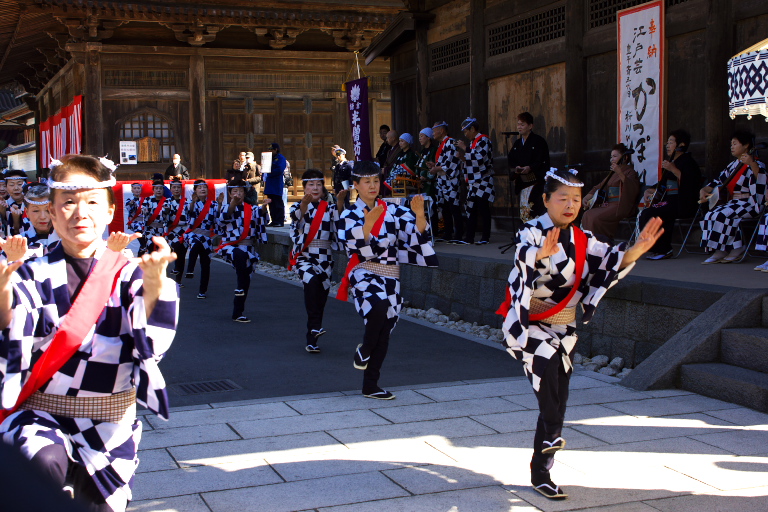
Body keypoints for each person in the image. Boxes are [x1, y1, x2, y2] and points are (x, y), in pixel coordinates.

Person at [0, 154, 178, 512]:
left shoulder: (130, 271)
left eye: (92, 202)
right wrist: (3, 289)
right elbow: (12, 327)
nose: (80, 213)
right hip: (42, 412)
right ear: (50, 212)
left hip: (109, 421)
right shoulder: (30, 271)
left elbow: (151, 342)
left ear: (110, 211)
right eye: (67, 203)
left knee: (102, 506)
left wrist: (156, 281)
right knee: (39, 463)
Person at [497, 168, 663, 500]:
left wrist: (638, 249)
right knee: (547, 381)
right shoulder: (532, 231)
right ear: (545, 200)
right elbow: (522, 255)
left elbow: (612, 262)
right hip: (528, 324)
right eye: (563, 198)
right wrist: (540, 254)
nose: (571, 205)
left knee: (557, 393)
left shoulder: (583, 239)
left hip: (565, 327)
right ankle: (551, 439)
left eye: (575, 199)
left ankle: (540, 470)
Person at [337, 161, 438, 400]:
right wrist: (368, 225)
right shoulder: (349, 214)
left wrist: (421, 216)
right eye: (366, 182)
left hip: (391, 273)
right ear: (356, 185)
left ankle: (370, 385)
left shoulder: (393, 209)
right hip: (363, 270)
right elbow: (354, 248)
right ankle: (365, 349)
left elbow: (415, 236)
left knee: (385, 329)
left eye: (375, 181)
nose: (372, 186)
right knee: (378, 306)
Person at [289, 169, 347, 352]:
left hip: (324, 257)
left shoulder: (328, 208)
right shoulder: (296, 207)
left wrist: (339, 201)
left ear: (323, 188)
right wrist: (304, 206)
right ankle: (314, 329)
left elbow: (340, 223)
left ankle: (312, 336)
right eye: (310, 185)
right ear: (304, 187)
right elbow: (296, 220)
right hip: (304, 256)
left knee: (320, 297)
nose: (315, 188)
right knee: (312, 281)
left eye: (318, 184)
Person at [700, 131, 766, 264]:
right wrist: (704, 189)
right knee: (710, 215)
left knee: (722, 215)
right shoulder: (732, 165)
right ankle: (723, 249)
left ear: (746, 145)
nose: (732, 146)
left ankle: (732, 248)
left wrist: (752, 164)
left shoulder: (757, 164)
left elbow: (761, 182)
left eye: (735, 143)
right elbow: (718, 181)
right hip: (734, 202)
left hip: (750, 202)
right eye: (731, 144)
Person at [638, 130, 702, 260]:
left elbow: (691, 183)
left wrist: (674, 170)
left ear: (681, 144)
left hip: (683, 202)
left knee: (655, 213)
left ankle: (664, 249)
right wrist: (650, 190)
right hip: (670, 200)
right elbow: (663, 185)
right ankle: (654, 248)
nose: (667, 145)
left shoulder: (688, 162)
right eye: (667, 142)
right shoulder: (673, 161)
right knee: (647, 212)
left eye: (671, 142)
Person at [215, 179, 270, 323]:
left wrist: (264, 208)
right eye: (235, 191)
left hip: (248, 246)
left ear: (245, 193)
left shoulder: (251, 208)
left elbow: (262, 218)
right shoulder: (226, 207)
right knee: (240, 255)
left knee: (246, 280)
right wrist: (232, 204)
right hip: (230, 246)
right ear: (230, 193)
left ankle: (237, 312)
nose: (238, 194)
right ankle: (240, 287)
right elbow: (221, 221)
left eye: (240, 191)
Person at [581, 143, 641, 241]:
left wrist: (620, 173)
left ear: (625, 157)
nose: (612, 159)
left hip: (621, 205)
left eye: (615, 156)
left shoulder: (630, 172)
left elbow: (632, 187)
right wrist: (588, 197)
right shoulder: (613, 173)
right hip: (610, 204)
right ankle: (590, 242)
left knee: (594, 217)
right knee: (588, 214)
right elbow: (600, 186)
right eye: (611, 157)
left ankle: (600, 242)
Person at [458, 117, 495, 245]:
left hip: (483, 180)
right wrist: (463, 158)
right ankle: (469, 237)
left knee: (484, 208)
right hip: (474, 182)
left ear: (473, 129)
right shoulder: (474, 142)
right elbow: (471, 161)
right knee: (471, 209)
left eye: (466, 131)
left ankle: (485, 237)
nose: (465, 134)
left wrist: (464, 149)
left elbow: (480, 158)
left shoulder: (484, 139)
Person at [507, 112, 550, 221]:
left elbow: (541, 161)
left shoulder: (538, 141)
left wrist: (530, 167)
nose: (519, 127)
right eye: (518, 124)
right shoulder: (517, 143)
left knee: (535, 211)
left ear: (530, 126)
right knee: (524, 213)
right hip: (523, 183)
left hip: (536, 182)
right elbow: (511, 160)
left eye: (522, 124)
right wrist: (517, 168)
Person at [427, 121, 464, 243]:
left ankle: (458, 233)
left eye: (434, 130)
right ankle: (448, 233)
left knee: (454, 206)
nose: (433, 133)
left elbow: (451, 163)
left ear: (441, 130)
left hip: (450, 180)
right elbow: (444, 162)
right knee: (444, 207)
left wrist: (436, 168)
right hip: (442, 180)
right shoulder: (442, 144)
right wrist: (435, 165)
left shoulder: (450, 142)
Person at [183, 180, 221, 299]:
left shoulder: (213, 204)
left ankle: (202, 290)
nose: (202, 189)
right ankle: (190, 269)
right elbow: (187, 214)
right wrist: (193, 203)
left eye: (204, 187)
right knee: (195, 245)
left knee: (206, 264)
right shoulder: (189, 202)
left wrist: (220, 205)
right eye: (199, 187)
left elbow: (218, 218)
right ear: (195, 190)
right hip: (193, 233)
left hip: (206, 236)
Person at [163, 178, 187, 285]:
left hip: (184, 230)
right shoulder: (166, 202)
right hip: (172, 230)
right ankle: (173, 271)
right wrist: (166, 213)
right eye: (174, 187)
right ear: (171, 189)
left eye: (178, 187)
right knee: (175, 249)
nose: (176, 189)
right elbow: (163, 218)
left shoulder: (187, 202)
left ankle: (179, 280)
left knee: (182, 254)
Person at [415, 128, 438, 230]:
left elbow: (433, 167)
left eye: (421, 136)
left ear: (428, 137)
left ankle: (433, 229)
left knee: (431, 206)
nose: (419, 139)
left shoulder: (433, 150)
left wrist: (427, 178)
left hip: (429, 183)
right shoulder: (422, 151)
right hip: (420, 182)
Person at [140, 179, 169, 253]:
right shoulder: (147, 200)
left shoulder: (167, 201)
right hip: (150, 229)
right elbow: (142, 210)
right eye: (156, 188)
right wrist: (145, 211)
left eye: (160, 188)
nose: (158, 190)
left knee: (161, 249)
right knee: (151, 247)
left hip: (162, 229)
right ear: (153, 190)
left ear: (163, 190)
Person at [264, 143, 287, 227]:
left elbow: (280, 169)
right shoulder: (268, 159)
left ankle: (279, 221)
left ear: (276, 149)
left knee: (278, 203)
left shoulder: (280, 158)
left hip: (276, 183)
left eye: (271, 149)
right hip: (269, 184)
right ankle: (273, 220)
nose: (270, 151)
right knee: (271, 203)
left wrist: (269, 173)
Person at [3, 169, 28, 236]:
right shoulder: (3, 205)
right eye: (11, 185)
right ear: (6, 187)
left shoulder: (32, 204)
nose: (16, 188)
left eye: (20, 184)